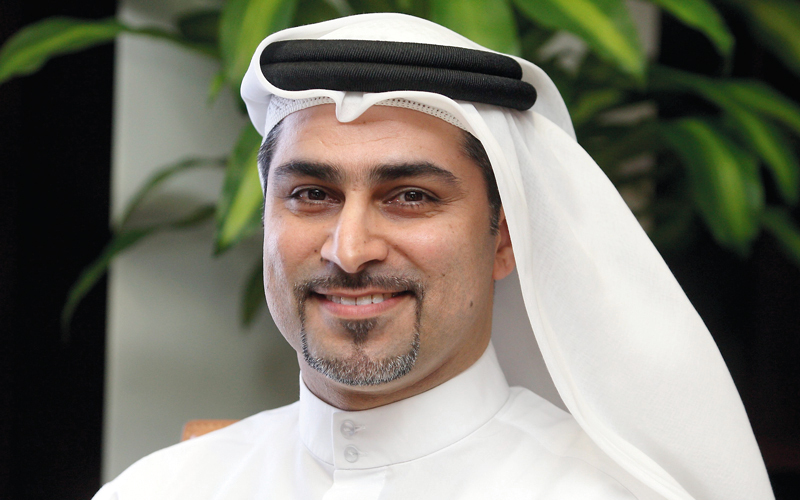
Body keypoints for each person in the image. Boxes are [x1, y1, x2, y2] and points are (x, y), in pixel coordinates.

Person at [93, 13, 774, 500]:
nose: (349, 250)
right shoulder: (161, 489)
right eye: (312, 194)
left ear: (504, 237)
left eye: (411, 196)